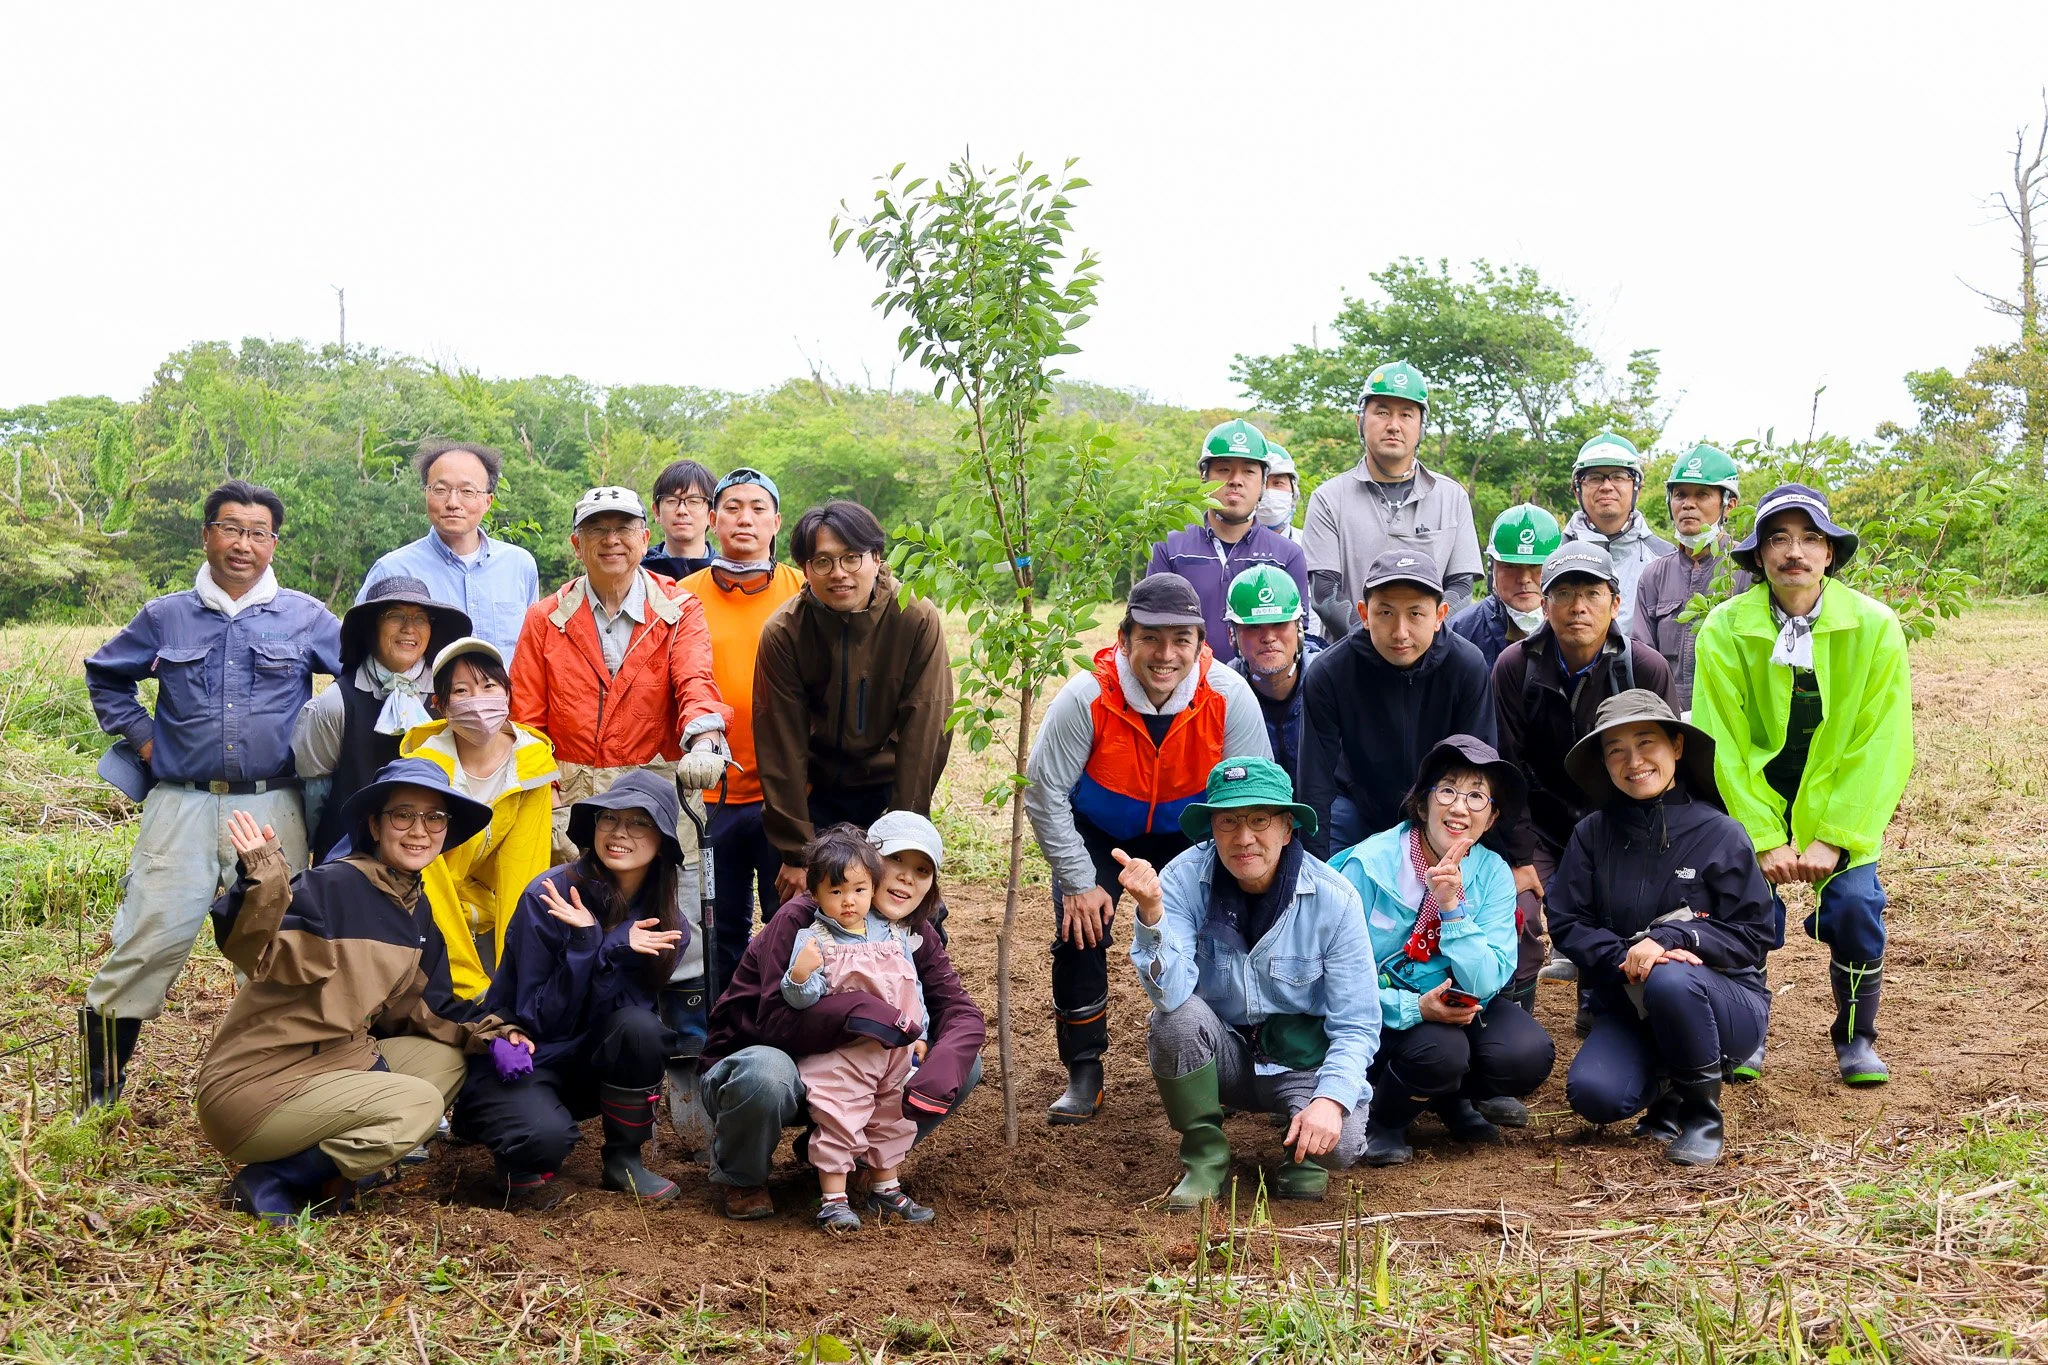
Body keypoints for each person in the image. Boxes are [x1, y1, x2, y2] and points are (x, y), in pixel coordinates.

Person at [80, 479, 343, 1108]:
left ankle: (278, 1091)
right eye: (231, 529)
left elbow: (360, 683)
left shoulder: (307, 616)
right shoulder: (165, 615)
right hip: (180, 804)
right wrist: (146, 742)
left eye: (258, 533)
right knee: (147, 938)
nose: (243, 544)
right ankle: (99, 1097)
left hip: (273, 805)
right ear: (207, 535)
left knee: (276, 947)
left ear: (273, 542)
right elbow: (106, 676)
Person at [194, 758, 527, 1224]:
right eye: (403, 815)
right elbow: (255, 949)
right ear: (374, 825)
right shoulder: (332, 886)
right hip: (257, 1085)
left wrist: (497, 1033)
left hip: (335, 1063)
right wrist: (264, 879)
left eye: (435, 818)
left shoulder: (414, 906)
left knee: (446, 1062)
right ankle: (272, 1179)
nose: (419, 830)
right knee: (420, 1105)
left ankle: (330, 1172)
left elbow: (427, 1007)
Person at [1022, 574, 1271, 1124]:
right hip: (1101, 834)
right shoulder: (1086, 696)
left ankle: (1223, 1057)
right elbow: (1044, 794)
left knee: (1221, 930)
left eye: (1181, 638)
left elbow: (1255, 794)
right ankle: (1084, 1070)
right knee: (1079, 932)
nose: (1166, 654)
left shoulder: (1229, 695)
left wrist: (1236, 872)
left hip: (1192, 832)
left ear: (1202, 642)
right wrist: (1080, 881)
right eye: (1151, 638)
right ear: (1124, 638)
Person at [1692, 484, 1913, 1086]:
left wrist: (1836, 837)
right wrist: (1760, 835)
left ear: (1830, 553)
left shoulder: (1874, 626)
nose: (1795, 552)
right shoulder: (1725, 628)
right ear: (1758, 555)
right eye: (1779, 539)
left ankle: (1856, 1037)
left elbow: (1881, 742)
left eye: (1810, 538)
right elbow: (1722, 741)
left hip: (1840, 799)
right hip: (1752, 798)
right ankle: (1746, 1031)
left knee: (1855, 906)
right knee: (1745, 909)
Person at [1123, 756, 1381, 1209]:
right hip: (1227, 1056)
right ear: (1211, 829)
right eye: (1227, 822)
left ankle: (1304, 1150)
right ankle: (1206, 1160)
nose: (1244, 838)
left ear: (1286, 827)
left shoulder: (1335, 899)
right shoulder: (1180, 882)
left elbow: (1357, 1024)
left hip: (1303, 1062)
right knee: (1173, 1020)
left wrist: (1331, 1102)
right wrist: (1152, 913)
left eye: (1260, 820)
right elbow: (1171, 993)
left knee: (1340, 1143)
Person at [702, 812, 985, 1222]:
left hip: (865, 1071)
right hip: (769, 1064)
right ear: (866, 861)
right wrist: (865, 1014)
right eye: (896, 863)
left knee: (963, 1063)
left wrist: (940, 1061)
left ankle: (858, 1162)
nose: (907, 879)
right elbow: (775, 1022)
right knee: (765, 1072)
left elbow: (959, 1010)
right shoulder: (805, 920)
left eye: (921, 870)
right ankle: (743, 1176)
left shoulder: (908, 931)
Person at [1549, 692, 1777, 1166]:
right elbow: (1568, 921)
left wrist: (1678, 939)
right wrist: (1630, 958)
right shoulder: (1591, 834)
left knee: (1671, 977)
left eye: (1646, 742)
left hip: (1724, 1003)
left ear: (1676, 746)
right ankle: (1669, 1084)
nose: (1634, 761)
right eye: (1616, 751)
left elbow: (1755, 934)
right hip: (1628, 1003)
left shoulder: (1721, 833)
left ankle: (1700, 1117)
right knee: (1595, 1097)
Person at [451, 772, 693, 1209]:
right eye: (609, 819)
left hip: (583, 1060)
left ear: (662, 841)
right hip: (522, 1052)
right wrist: (592, 945)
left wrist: (609, 951)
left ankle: (623, 1158)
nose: (619, 833)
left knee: (642, 1029)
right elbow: (540, 1018)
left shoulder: (667, 925)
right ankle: (491, 1120)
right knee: (540, 1143)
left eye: (638, 822)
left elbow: (625, 1023)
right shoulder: (549, 895)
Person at [1330, 737, 1554, 1165]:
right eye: (1447, 790)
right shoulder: (1366, 866)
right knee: (1442, 1052)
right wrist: (1415, 1008)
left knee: (1525, 1053)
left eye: (1476, 796)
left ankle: (1450, 1100)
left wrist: (1452, 909)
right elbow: (1335, 980)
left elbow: (1489, 981)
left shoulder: (1491, 873)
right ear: (1422, 803)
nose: (1459, 807)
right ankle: (1384, 1120)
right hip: (1375, 1014)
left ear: (1491, 819)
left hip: (1459, 1005)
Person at [1492, 542, 1675, 1015]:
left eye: (1592, 593)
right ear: (1544, 603)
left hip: (1615, 819)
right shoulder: (1516, 666)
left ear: (1615, 604)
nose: (1578, 607)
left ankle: (1604, 1004)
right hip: (1538, 822)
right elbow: (1505, 767)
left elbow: (1665, 768)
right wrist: (1517, 854)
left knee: (1617, 911)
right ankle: (1515, 1026)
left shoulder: (1643, 668)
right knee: (1523, 913)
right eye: (1565, 593)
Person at [755, 500, 954, 903]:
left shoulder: (914, 617)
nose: (839, 573)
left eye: (851, 557)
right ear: (805, 570)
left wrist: (903, 836)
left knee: (908, 912)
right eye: (823, 562)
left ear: (877, 558)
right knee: (799, 908)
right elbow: (781, 743)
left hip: (890, 784)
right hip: (817, 788)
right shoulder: (785, 631)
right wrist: (796, 851)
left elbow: (926, 727)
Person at [509, 485, 730, 846]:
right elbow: (525, 719)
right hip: (575, 804)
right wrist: (546, 795)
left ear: (644, 540)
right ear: (577, 545)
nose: (611, 540)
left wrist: (705, 742)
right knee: (576, 899)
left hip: (660, 796)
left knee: (672, 899)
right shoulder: (545, 618)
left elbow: (696, 681)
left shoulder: (679, 610)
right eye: (596, 529)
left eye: (624, 529)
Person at [677, 468, 806, 994]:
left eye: (757, 507)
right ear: (712, 519)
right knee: (718, 926)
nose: (744, 518)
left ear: (777, 521)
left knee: (791, 922)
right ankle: (722, 1031)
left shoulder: (804, 589)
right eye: (731, 507)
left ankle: (785, 1027)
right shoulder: (683, 595)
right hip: (710, 794)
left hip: (788, 795)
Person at [782, 826, 939, 1232]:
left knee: (893, 1116)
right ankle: (833, 1199)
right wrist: (800, 976)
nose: (848, 901)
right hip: (844, 1054)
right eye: (835, 892)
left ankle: (884, 1186)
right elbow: (803, 999)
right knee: (840, 1117)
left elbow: (912, 985)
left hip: (895, 1051)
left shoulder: (893, 933)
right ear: (815, 895)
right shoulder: (814, 938)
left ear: (872, 888)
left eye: (858, 890)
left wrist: (920, 1032)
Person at [1298, 549, 1495, 859]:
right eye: (1386, 613)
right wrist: (1315, 871)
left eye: (1416, 613)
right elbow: (1315, 782)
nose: (1400, 632)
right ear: (1364, 614)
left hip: (1438, 807)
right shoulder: (1330, 672)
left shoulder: (1467, 667)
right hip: (1357, 805)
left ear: (1439, 616)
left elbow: (1477, 774)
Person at [398, 637, 560, 998]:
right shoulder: (422, 772)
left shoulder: (530, 766)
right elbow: (427, 879)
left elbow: (523, 874)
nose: (479, 700)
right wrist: (473, 991)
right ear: (440, 705)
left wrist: (517, 985)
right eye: (462, 690)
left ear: (507, 694)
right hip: (422, 910)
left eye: (489, 686)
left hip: (482, 907)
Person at [295, 577, 470, 862]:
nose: (409, 628)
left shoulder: (450, 697)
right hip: (349, 859)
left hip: (431, 856)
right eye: (395, 616)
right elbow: (316, 790)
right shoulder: (337, 701)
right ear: (371, 627)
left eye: (420, 618)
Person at [1302, 362, 1483, 636]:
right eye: (1382, 412)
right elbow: (1325, 593)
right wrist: (1373, 642)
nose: (1394, 425)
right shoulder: (1328, 499)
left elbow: (1460, 587)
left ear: (1422, 427)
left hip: (1432, 661)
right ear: (1360, 421)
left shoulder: (1452, 497)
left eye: (1406, 415)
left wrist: (1420, 642)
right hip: (1349, 662)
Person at [358, 440, 540, 665]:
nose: (453, 502)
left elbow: (532, 652)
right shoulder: (393, 570)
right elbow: (359, 653)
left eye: (467, 491)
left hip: (507, 700)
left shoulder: (519, 566)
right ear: (426, 494)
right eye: (441, 490)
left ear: (488, 501)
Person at [1146, 420, 1308, 664]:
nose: (1235, 480)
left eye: (1248, 471)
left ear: (1263, 483)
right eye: (1223, 469)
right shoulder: (1169, 549)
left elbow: (1296, 636)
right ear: (1204, 477)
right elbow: (1151, 628)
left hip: (1261, 693)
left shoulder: (1287, 555)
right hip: (1186, 691)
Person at [1633, 444, 1752, 711]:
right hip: (1667, 718)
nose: (1688, 504)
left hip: (1732, 716)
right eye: (1680, 495)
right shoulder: (1654, 576)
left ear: (1728, 504)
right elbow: (1642, 658)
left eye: (1702, 494)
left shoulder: (1748, 569)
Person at [1561, 433, 1673, 637]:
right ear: (1577, 489)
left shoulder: (1665, 559)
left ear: (1637, 486)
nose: (1606, 486)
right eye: (1594, 478)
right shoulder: (1553, 554)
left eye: (1618, 476)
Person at [1223, 564, 1325, 786]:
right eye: (1253, 626)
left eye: (1279, 624)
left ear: (1299, 628)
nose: (1268, 637)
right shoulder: (1221, 694)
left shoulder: (1331, 680)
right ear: (1232, 635)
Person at [1448, 505, 1564, 668]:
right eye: (1511, 566)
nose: (1524, 579)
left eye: (1536, 566)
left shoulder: (1577, 625)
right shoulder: (1461, 631)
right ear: (1492, 569)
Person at [643, 458, 720, 580]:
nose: (682, 511)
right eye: (672, 501)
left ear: (711, 516)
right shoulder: (639, 576)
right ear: (656, 512)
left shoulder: (726, 576)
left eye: (694, 501)